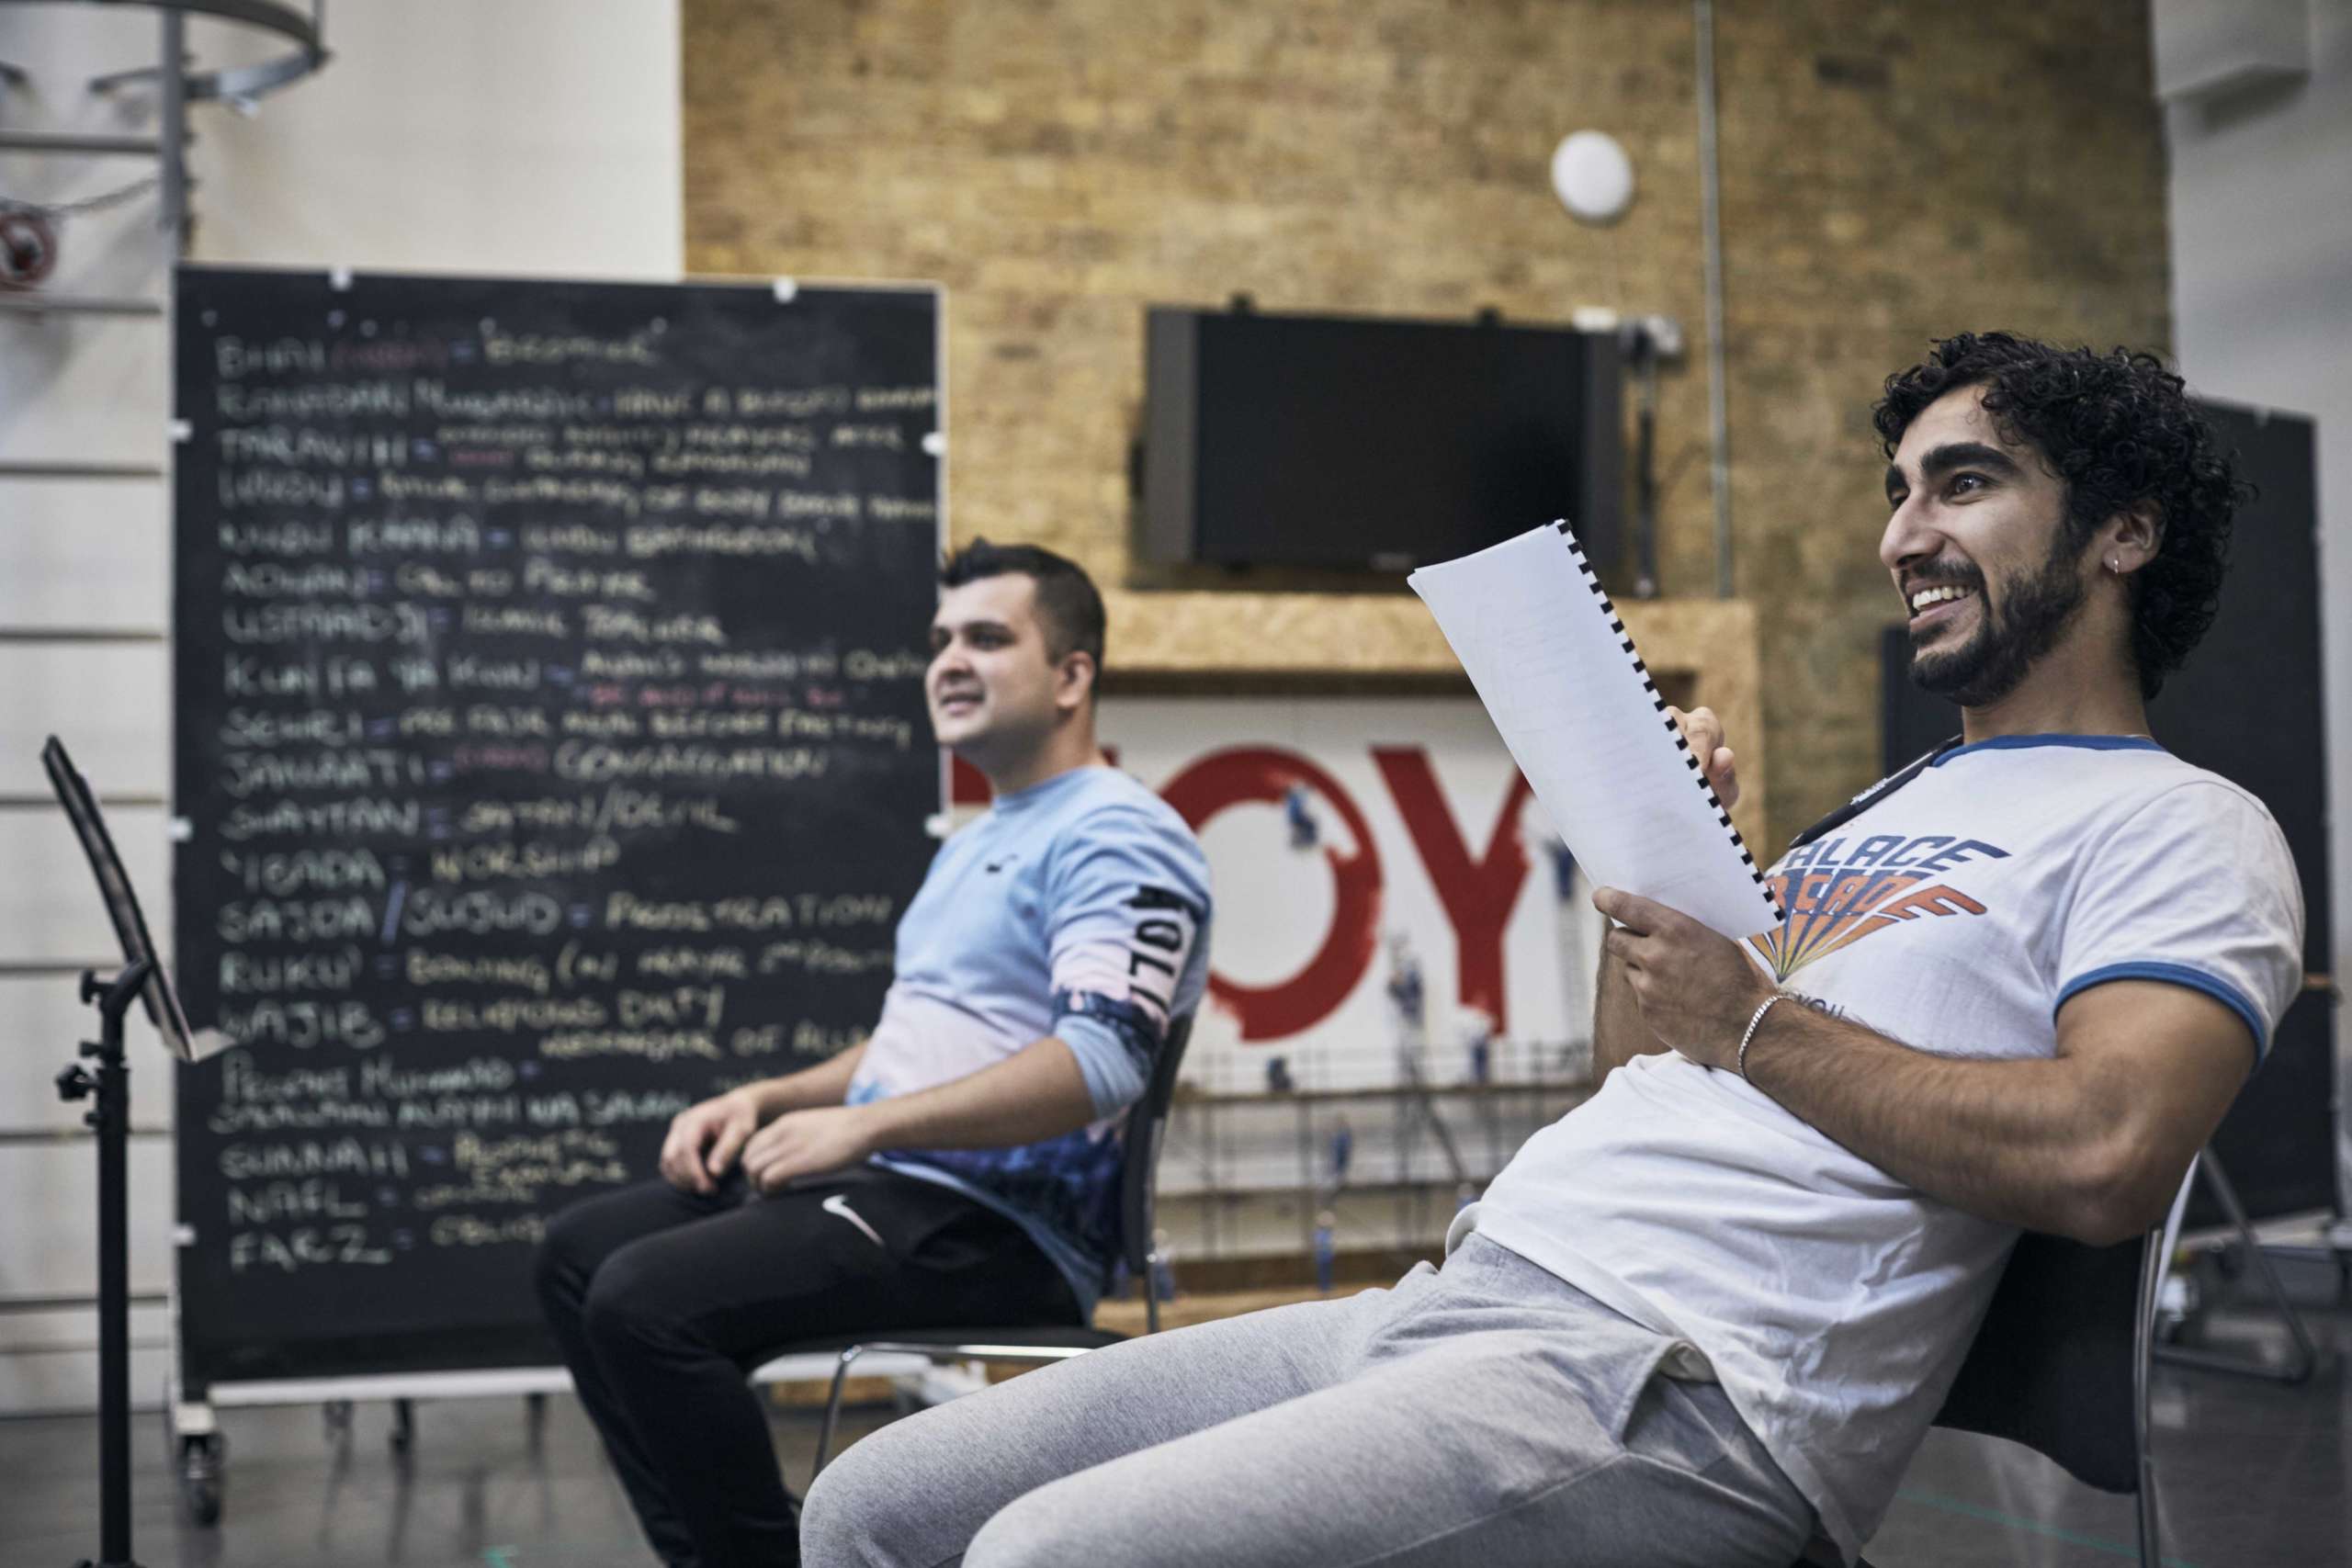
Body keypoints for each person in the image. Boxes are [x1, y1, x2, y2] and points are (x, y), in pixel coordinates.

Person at [798, 333, 2305, 1568]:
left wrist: (1752, 1017)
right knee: (872, 1505)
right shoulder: (1885, 810)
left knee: (1042, 1554)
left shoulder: (2180, 824)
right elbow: (1636, 1081)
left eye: (1962, 483)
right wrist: (1652, 877)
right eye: (1898, 492)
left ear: (2125, 530)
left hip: (1678, 1391)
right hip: (1455, 1295)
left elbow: (2108, 1154)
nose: (1902, 534)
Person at [536, 540, 1214, 1568]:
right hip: (899, 1187)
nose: (949, 661)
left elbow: (1104, 1061)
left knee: (643, 1300)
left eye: (987, 638)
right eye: (940, 640)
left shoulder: (1119, 835)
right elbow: (914, 1046)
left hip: (1000, 1229)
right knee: (577, 1256)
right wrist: (768, 1097)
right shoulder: (976, 839)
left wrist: (862, 1127)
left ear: (1072, 676)